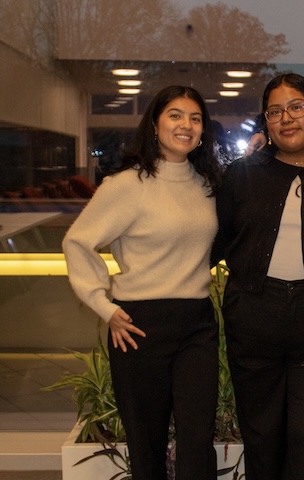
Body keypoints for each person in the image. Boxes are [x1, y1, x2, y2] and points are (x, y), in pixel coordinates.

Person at [62, 85, 222, 480]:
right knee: (145, 440)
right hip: (139, 325)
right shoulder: (125, 186)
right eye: (175, 115)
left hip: (197, 323)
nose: (186, 124)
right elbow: (77, 241)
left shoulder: (208, 186)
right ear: (154, 124)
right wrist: (105, 306)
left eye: (195, 118)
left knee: (197, 437)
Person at [213, 73, 304, 480]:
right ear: (266, 121)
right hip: (254, 327)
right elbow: (215, 242)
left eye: (297, 107)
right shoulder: (241, 176)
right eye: (275, 111)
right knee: (262, 441)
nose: (287, 118)